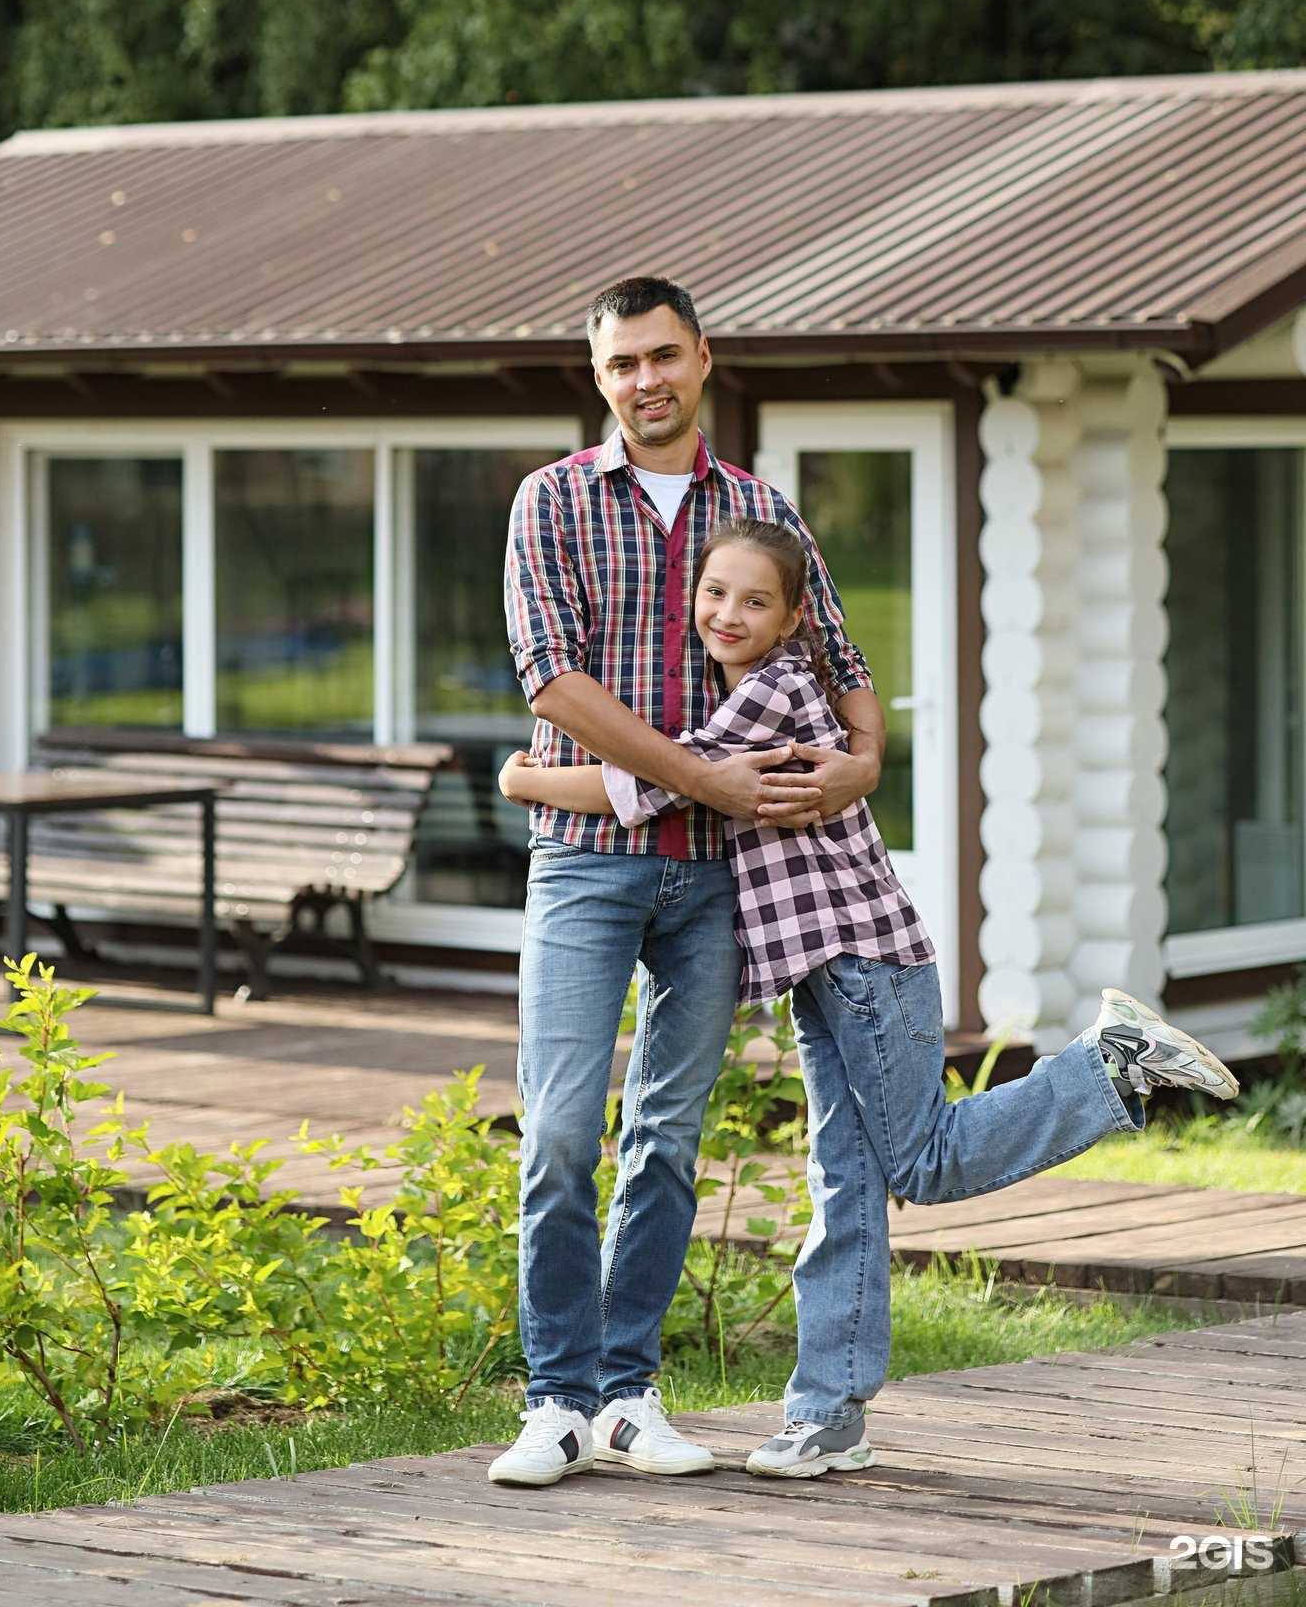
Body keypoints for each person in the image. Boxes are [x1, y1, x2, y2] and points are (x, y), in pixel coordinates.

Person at [498, 514, 1240, 1478]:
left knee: (920, 1161)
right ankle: (829, 1415)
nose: (728, 613)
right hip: (823, 969)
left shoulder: (774, 691)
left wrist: (525, 780)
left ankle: (1108, 1070)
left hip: (862, 959)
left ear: (795, 616)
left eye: (755, 600)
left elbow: (664, 785)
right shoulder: (747, 681)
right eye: (715, 593)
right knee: (844, 1180)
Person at [491, 275, 888, 1488]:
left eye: (664, 357)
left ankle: (625, 1396)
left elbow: (840, 654)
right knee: (559, 1132)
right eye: (623, 365)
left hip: (720, 882)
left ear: (703, 359)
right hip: (588, 871)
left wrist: (859, 764)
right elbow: (551, 685)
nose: (646, 381)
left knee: (665, 1137)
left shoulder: (760, 508)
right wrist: (705, 780)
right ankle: (553, 1400)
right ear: (599, 377)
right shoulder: (551, 501)